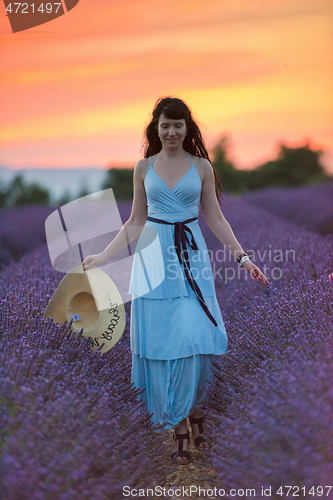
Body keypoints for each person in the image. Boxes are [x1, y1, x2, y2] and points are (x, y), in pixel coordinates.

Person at [82, 97, 270, 465]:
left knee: (195, 335)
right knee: (164, 341)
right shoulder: (143, 167)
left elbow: (215, 218)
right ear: (156, 128)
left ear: (187, 128)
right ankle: (181, 426)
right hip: (153, 256)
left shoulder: (201, 166)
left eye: (178, 125)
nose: (171, 132)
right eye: (165, 126)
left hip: (192, 256)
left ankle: (196, 409)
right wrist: (103, 257)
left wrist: (243, 257)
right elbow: (135, 220)